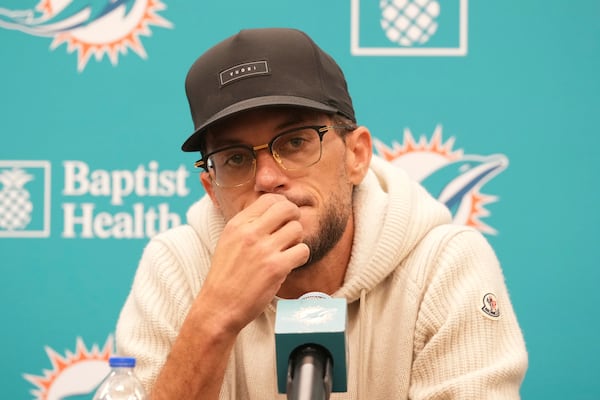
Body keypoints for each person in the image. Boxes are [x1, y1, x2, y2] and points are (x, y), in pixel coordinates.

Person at [115, 27, 528, 399]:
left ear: (356, 156)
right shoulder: (175, 267)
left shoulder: (445, 264)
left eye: (295, 142)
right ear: (212, 191)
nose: (268, 179)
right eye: (236, 158)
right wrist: (211, 320)